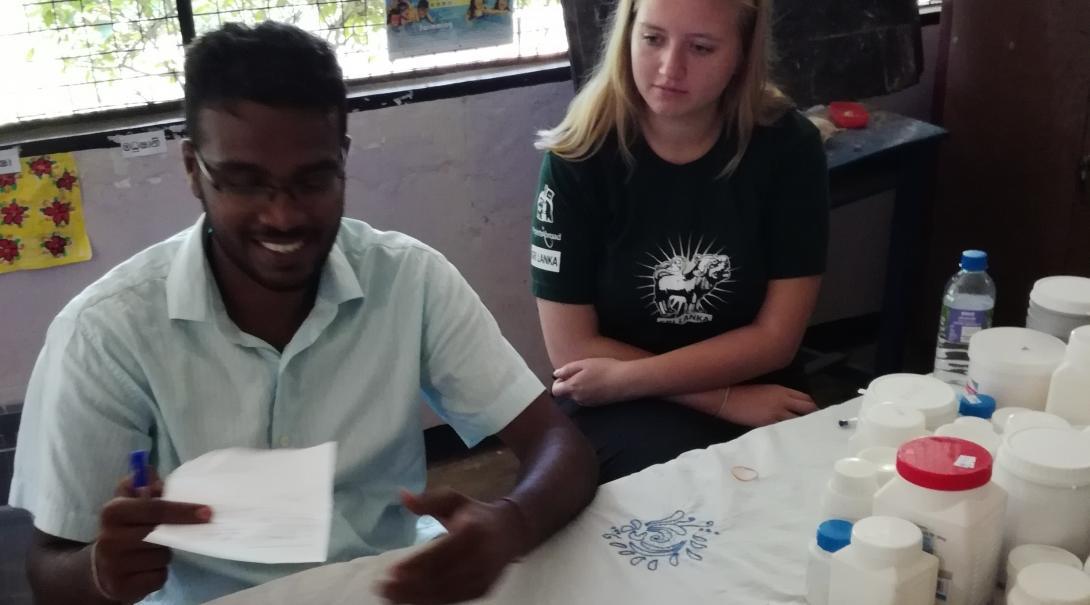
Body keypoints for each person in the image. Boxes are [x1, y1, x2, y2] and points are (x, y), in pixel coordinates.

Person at [11, 21, 597, 605]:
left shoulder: (408, 280)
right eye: (244, 182)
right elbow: (49, 569)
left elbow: (558, 445)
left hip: (385, 589)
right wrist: (102, 572)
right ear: (193, 169)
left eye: (312, 179)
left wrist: (509, 523)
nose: (283, 216)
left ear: (342, 159)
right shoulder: (106, 332)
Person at [530, 0, 829, 484]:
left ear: (742, 53)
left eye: (702, 47)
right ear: (627, 34)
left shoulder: (788, 148)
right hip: (612, 400)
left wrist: (635, 378)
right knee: (679, 499)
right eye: (652, 39)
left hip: (748, 382)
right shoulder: (577, 155)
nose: (670, 68)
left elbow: (777, 339)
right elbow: (572, 349)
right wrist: (724, 399)